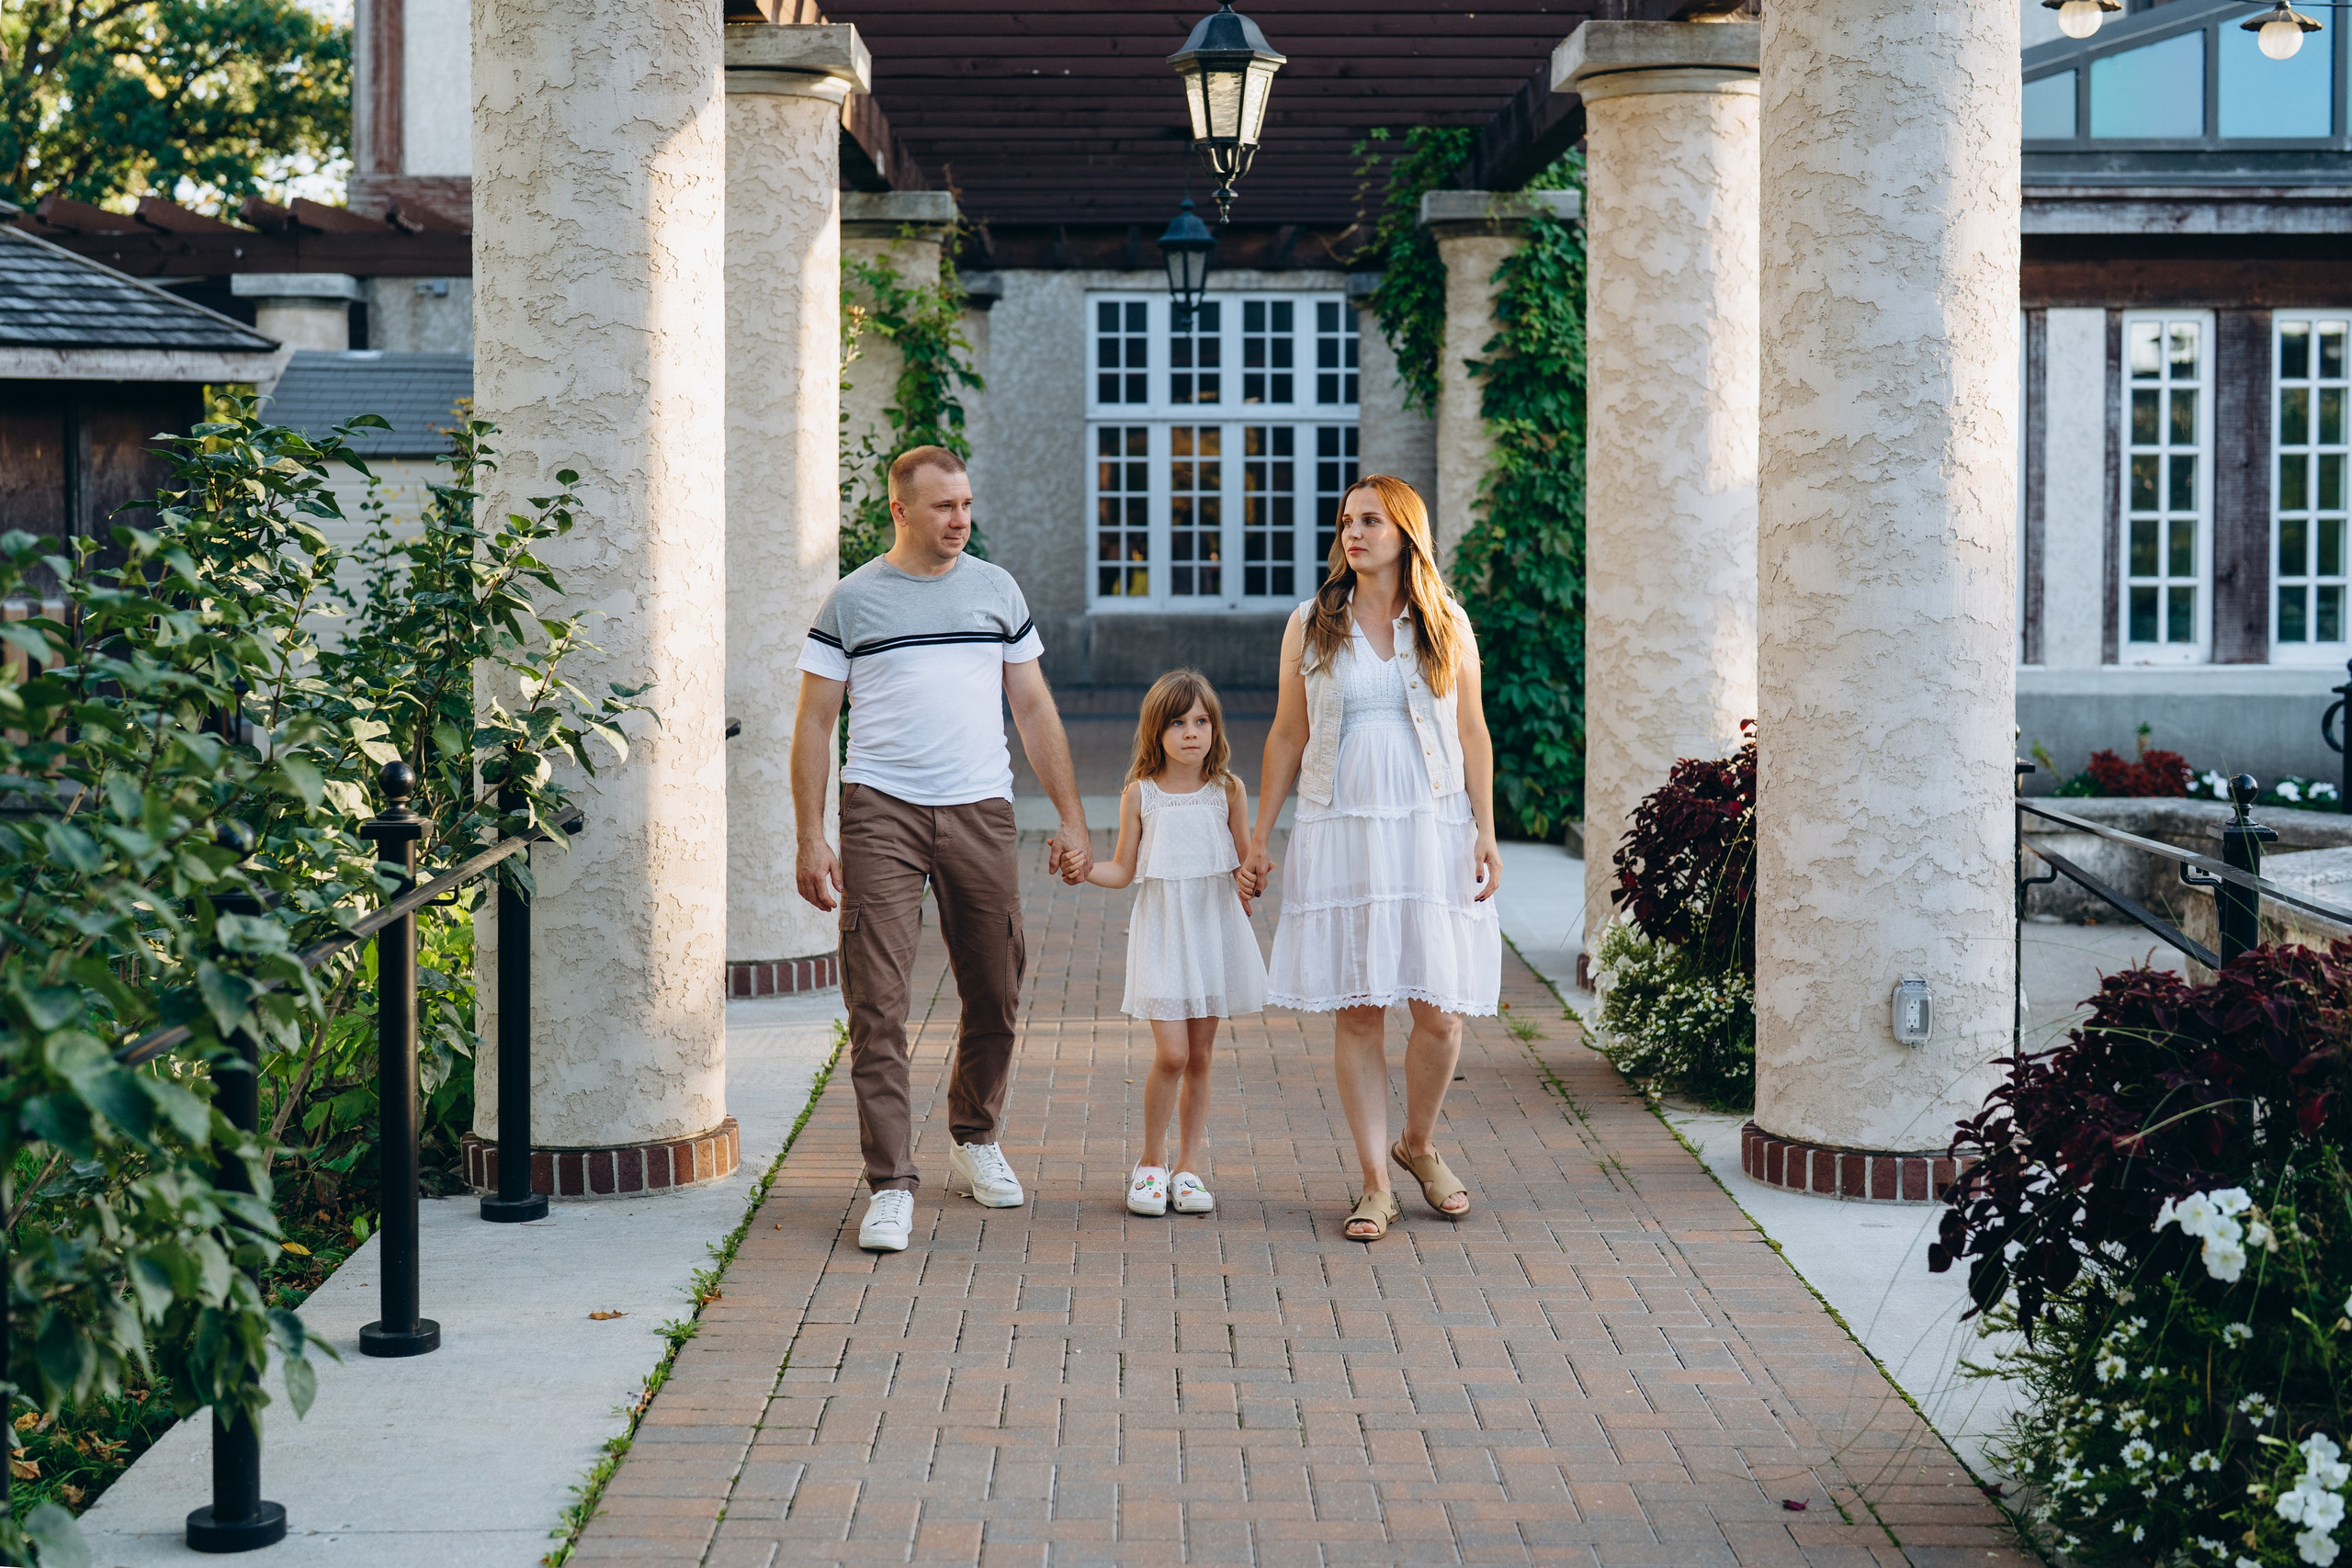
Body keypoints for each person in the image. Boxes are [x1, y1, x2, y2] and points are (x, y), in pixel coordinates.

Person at [791, 446, 1092, 1255]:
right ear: (901, 510)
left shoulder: (996, 590)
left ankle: (974, 1133)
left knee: (996, 987)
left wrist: (1070, 817)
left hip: (980, 809)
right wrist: (812, 835)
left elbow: (1033, 707)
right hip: (881, 812)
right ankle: (891, 1184)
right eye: (943, 506)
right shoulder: (853, 600)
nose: (961, 519)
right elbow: (814, 721)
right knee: (878, 1004)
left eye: (966, 504)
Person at [1240, 474, 1503, 1243]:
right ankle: (1375, 1182)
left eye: (1369, 522)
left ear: (1405, 534)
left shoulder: (1446, 621)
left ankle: (1417, 1143)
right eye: (1346, 522)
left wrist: (1486, 828)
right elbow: (1288, 733)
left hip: (1432, 827)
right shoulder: (1312, 623)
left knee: (1441, 1014)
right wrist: (1260, 835)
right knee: (1359, 1010)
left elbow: (1473, 731)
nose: (1352, 534)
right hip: (1343, 827)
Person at [1081, 670, 1267, 1218]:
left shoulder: (1228, 790)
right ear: (1156, 731)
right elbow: (1122, 870)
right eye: (1179, 723)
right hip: (1164, 933)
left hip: (1212, 931)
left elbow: (1243, 863)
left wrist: (1252, 878)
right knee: (1173, 1054)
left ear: (1215, 728)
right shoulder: (1141, 794)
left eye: (1202, 722)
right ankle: (1150, 1163)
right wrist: (1081, 868)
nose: (1191, 733)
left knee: (1201, 1057)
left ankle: (1187, 1168)